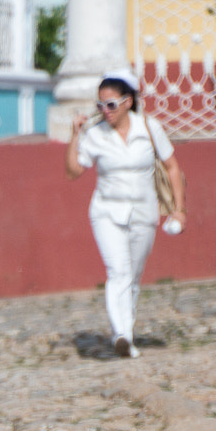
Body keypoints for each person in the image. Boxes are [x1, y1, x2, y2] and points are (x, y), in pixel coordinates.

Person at [65, 68, 188, 358]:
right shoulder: (95, 134)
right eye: (100, 105)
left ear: (128, 102)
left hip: (144, 212)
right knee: (118, 271)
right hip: (106, 212)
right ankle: (121, 334)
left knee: (132, 275)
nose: (105, 111)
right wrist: (75, 135)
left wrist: (179, 210)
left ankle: (125, 332)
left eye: (110, 104)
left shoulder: (149, 128)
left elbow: (172, 168)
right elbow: (72, 172)